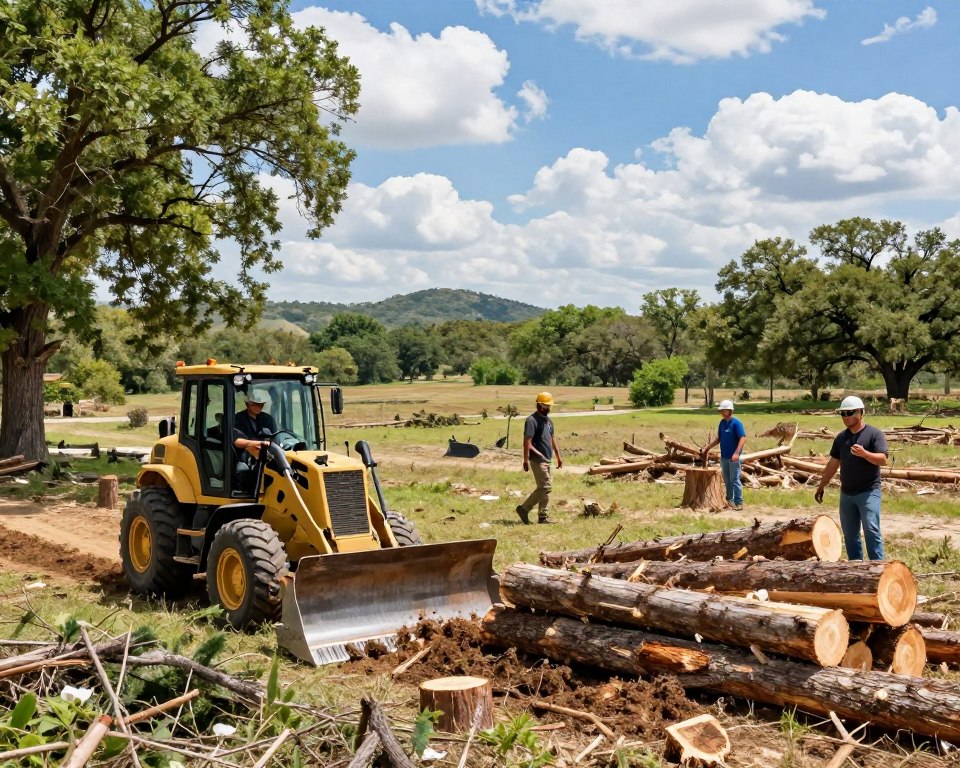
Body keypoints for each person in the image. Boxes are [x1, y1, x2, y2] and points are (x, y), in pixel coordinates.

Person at [814, 395, 888, 560]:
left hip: (869, 491)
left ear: (861, 413)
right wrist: (821, 485)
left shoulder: (874, 434)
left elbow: (883, 459)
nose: (846, 417)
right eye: (843, 414)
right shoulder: (841, 438)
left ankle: (877, 567)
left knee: (871, 529)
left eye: (850, 413)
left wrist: (865, 454)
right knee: (849, 533)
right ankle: (856, 568)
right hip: (847, 493)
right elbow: (833, 464)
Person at [516, 392, 562, 525]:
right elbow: (527, 442)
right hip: (537, 460)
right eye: (547, 406)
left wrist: (558, 456)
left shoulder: (548, 421)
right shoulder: (531, 421)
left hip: (548, 459)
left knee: (546, 488)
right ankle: (524, 509)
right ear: (540, 405)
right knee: (545, 487)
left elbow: (553, 439)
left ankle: (543, 517)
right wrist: (525, 460)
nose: (549, 408)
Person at [700, 399, 746, 510]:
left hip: (733, 457)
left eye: (723, 410)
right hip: (724, 456)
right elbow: (719, 439)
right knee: (727, 479)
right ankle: (729, 501)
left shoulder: (736, 423)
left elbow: (743, 438)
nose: (721, 412)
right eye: (721, 410)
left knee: (735, 479)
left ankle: (739, 502)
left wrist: (736, 453)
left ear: (729, 411)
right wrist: (707, 448)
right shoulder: (722, 423)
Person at [233, 387, 277, 460]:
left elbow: (275, 439)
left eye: (260, 404)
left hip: (266, 458)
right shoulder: (238, 418)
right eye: (254, 404)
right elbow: (238, 442)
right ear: (247, 404)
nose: (258, 406)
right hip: (244, 459)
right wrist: (261, 443)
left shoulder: (268, 419)